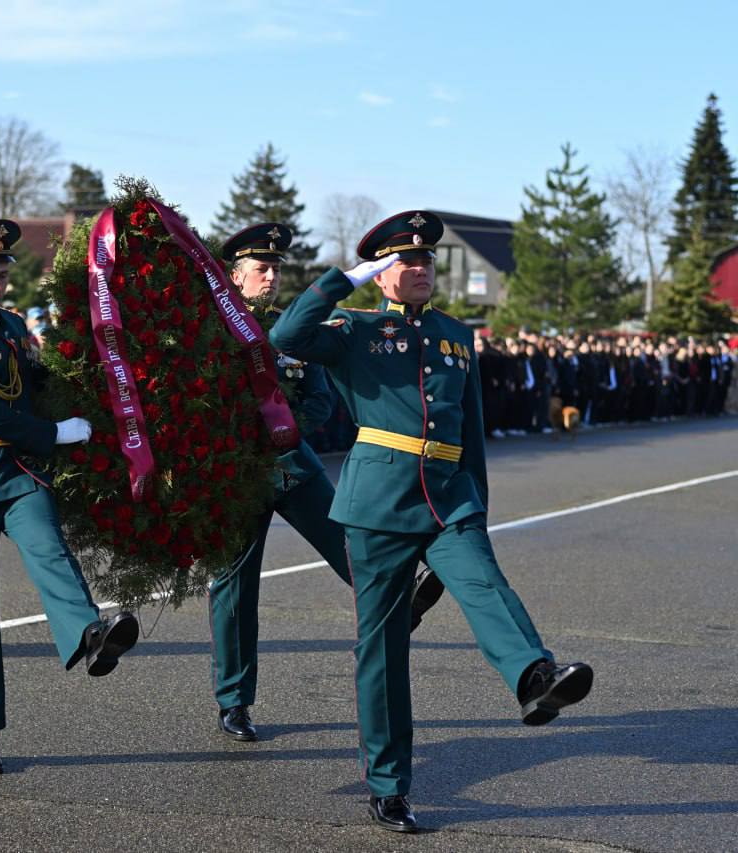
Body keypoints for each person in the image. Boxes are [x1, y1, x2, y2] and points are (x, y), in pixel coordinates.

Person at [270, 211, 593, 833]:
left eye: (426, 261)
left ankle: (534, 677)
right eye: (406, 261)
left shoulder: (455, 334)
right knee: (383, 649)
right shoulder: (352, 331)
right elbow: (286, 335)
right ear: (383, 273)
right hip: (379, 503)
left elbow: (471, 431)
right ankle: (389, 785)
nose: (420, 269)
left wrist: (479, 504)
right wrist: (344, 279)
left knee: (483, 580)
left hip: (449, 494)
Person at [208, 224, 445, 743]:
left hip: (292, 462)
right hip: (238, 473)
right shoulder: (211, 331)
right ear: (235, 275)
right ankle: (234, 700)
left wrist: (287, 428)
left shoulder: (297, 327)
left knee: (348, 542)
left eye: (276, 269)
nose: (271, 277)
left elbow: (319, 397)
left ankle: (400, 602)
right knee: (234, 586)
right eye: (261, 269)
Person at [0, 219, 138, 774]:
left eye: (1, 276)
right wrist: (55, 435)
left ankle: (89, 635)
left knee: (48, 546)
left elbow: (40, 383)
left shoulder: (13, 327)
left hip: (17, 472)